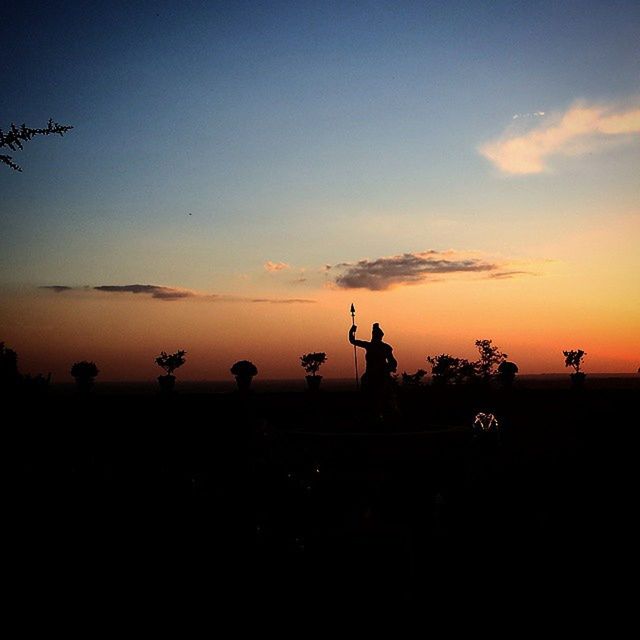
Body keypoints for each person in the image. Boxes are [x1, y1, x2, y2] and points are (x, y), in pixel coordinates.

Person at [349, 323, 398, 421]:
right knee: (366, 388)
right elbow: (352, 341)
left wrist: (387, 368)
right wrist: (351, 331)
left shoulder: (385, 347)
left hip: (381, 375)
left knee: (384, 395)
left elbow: (393, 362)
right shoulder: (369, 346)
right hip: (370, 375)